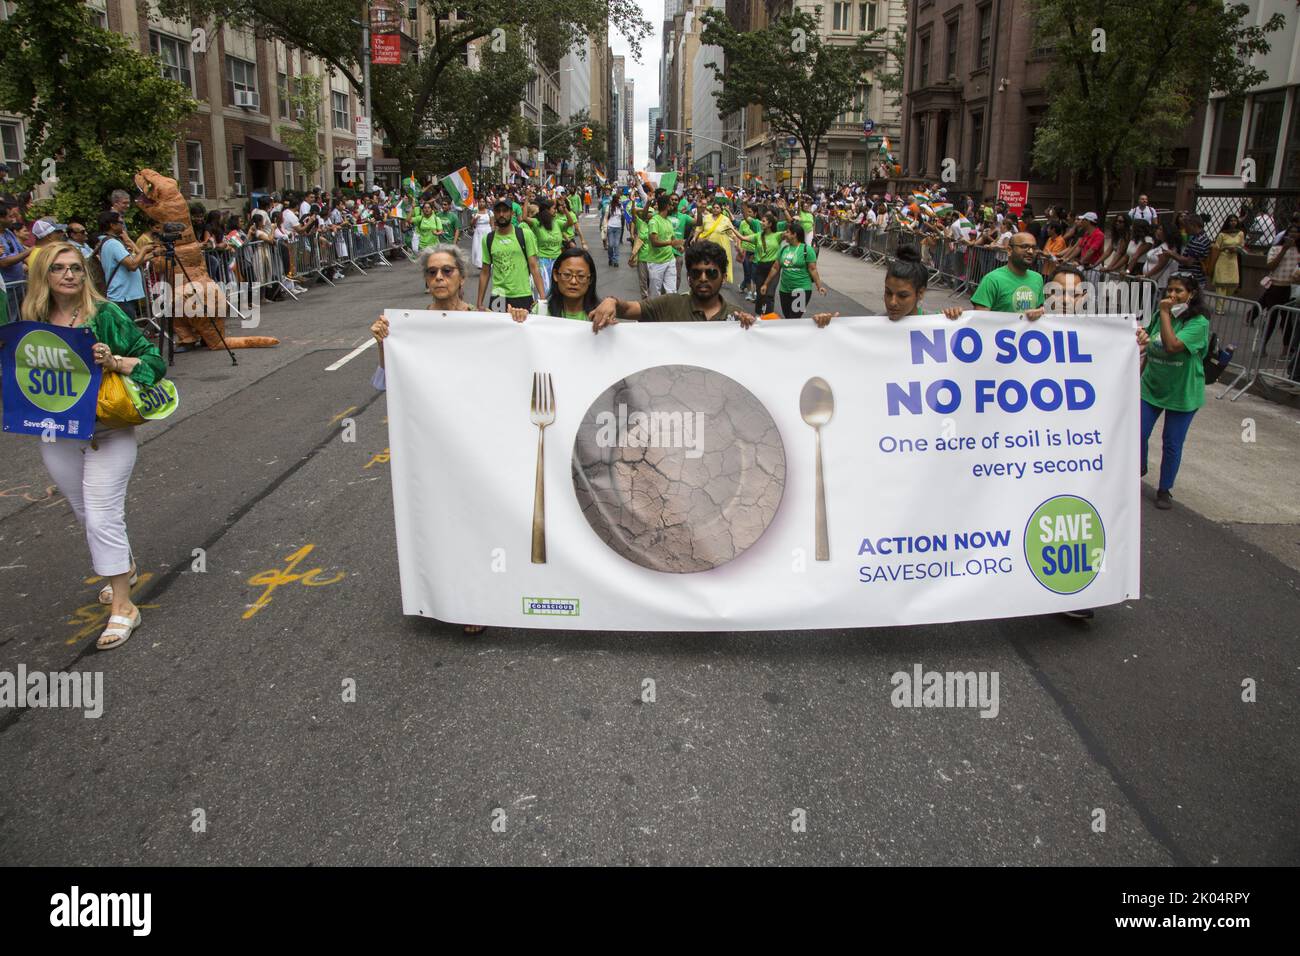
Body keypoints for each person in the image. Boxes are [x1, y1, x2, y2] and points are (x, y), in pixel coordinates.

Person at [22, 243, 166, 649]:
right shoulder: (31, 321)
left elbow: (155, 362)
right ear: (42, 277)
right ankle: (126, 565)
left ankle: (123, 607)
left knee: (103, 516)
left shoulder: (107, 315)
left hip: (109, 430)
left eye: (76, 269)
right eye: (58, 269)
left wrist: (115, 361)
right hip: (57, 433)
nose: (69, 275)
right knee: (87, 514)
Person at [369, 244, 489, 636]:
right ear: (425, 281)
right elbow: (387, 381)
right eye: (432, 273)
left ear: (462, 278)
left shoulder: (485, 320)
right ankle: (438, 597)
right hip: (431, 443)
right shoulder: (409, 327)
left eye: (447, 271)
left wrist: (518, 321)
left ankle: (477, 602)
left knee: (476, 521)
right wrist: (383, 344)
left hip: (476, 439)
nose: (439, 278)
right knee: (439, 521)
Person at [590, 240, 826, 331]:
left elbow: (784, 339)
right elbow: (629, 309)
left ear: (723, 277)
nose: (704, 278)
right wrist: (611, 302)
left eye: (711, 272)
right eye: (697, 273)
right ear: (689, 278)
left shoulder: (738, 318)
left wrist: (817, 328)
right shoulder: (669, 304)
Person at [1141, 273, 1210, 510]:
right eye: (1169, 290)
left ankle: (1164, 489)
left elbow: (1172, 346)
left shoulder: (1198, 323)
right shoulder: (1160, 315)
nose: (1172, 295)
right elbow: (1149, 342)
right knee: (1137, 433)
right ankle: (1139, 466)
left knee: (1171, 442)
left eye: (1178, 291)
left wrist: (1163, 314)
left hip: (1182, 392)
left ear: (1191, 294)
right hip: (1151, 385)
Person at [476, 199, 544, 312]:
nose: (501, 214)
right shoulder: (488, 239)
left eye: (505, 211)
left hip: (522, 295)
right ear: (494, 213)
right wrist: (479, 303)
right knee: (498, 329)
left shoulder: (525, 234)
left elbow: (534, 267)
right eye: (498, 211)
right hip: (498, 297)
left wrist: (542, 298)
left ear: (512, 213)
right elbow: (485, 272)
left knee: (523, 329)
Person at [509, 246, 599, 321]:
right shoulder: (540, 311)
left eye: (581, 276)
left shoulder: (600, 315)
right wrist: (519, 317)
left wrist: (612, 303)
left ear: (590, 279)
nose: (573, 281)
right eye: (567, 275)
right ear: (556, 275)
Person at [97, 209, 156, 320]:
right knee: (126, 333)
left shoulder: (110, 242)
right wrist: (144, 249)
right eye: (121, 223)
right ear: (112, 225)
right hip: (122, 297)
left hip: (123, 296)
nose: (123, 226)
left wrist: (155, 254)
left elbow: (134, 260)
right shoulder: (113, 243)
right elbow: (133, 265)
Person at [759, 221, 826, 319]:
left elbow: (813, 270)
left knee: (794, 318)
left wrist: (819, 286)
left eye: (787, 232)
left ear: (794, 234)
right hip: (784, 290)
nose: (785, 234)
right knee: (788, 317)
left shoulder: (807, 250)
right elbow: (775, 267)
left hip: (801, 290)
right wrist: (765, 284)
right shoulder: (784, 249)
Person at [882, 247, 964, 322]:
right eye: (888, 293)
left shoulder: (936, 322)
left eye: (903, 296)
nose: (892, 302)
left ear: (920, 293)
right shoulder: (871, 325)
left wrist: (955, 319)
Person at [970, 232, 1044, 313]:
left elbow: (1040, 309)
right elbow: (980, 319)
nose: (1030, 251)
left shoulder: (1038, 278)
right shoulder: (992, 280)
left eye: (1034, 248)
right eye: (1024, 246)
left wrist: (1040, 312)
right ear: (1009, 250)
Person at [525, 198, 566, 296]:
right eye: (553, 208)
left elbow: (570, 222)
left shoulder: (556, 222)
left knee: (557, 288)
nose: (555, 210)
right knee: (545, 288)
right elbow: (524, 218)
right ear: (547, 210)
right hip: (543, 261)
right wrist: (526, 199)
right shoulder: (537, 223)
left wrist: (565, 210)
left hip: (557, 260)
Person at [642, 195, 680, 296]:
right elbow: (654, 242)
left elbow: (672, 239)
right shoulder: (654, 221)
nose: (673, 206)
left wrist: (679, 246)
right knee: (655, 293)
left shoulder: (668, 221)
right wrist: (670, 243)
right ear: (667, 206)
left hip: (670, 259)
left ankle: (669, 310)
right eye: (671, 204)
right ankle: (655, 311)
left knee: (672, 291)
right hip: (656, 263)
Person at [1209, 215, 1246, 304]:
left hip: (1233, 260)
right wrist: (1226, 248)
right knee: (1221, 285)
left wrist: (1236, 249)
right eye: (1231, 221)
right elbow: (1216, 248)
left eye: (1235, 221)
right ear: (1227, 222)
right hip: (1222, 259)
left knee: (1233, 284)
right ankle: (1219, 307)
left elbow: (1242, 246)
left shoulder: (1240, 233)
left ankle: (1221, 299)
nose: (1233, 222)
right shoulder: (1222, 234)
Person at [1170, 214, 1210, 286]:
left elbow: (1188, 262)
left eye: (1186, 226)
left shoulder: (1198, 241)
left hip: (1193, 280)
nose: (1185, 229)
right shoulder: (1202, 237)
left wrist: (1172, 254)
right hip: (1194, 278)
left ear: (1193, 225)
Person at [1142, 222, 1179, 292]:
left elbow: (1161, 265)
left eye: (1161, 230)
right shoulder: (1160, 245)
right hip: (1151, 281)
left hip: (1159, 283)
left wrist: (1145, 276)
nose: (1157, 231)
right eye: (1158, 229)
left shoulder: (1166, 247)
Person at [468, 198, 492, 272]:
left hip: (487, 231)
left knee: (487, 248)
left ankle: (487, 264)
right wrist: (475, 219)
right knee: (478, 248)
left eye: (483, 202)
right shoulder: (475, 212)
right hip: (478, 231)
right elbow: (471, 224)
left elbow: (492, 224)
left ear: (485, 203)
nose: (481, 203)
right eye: (480, 202)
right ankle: (480, 264)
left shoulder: (489, 212)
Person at [602, 191, 623, 267]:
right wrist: (605, 227)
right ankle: (610, 258)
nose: (619, 200)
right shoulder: (609, 206)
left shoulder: (621, 206)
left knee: (616, 244)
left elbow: (622, 216)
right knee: (610, 245)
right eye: (618, 199)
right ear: (615, 199)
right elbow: (605, 217)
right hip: (610, 227)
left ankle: (616, 260)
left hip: (618, 228)